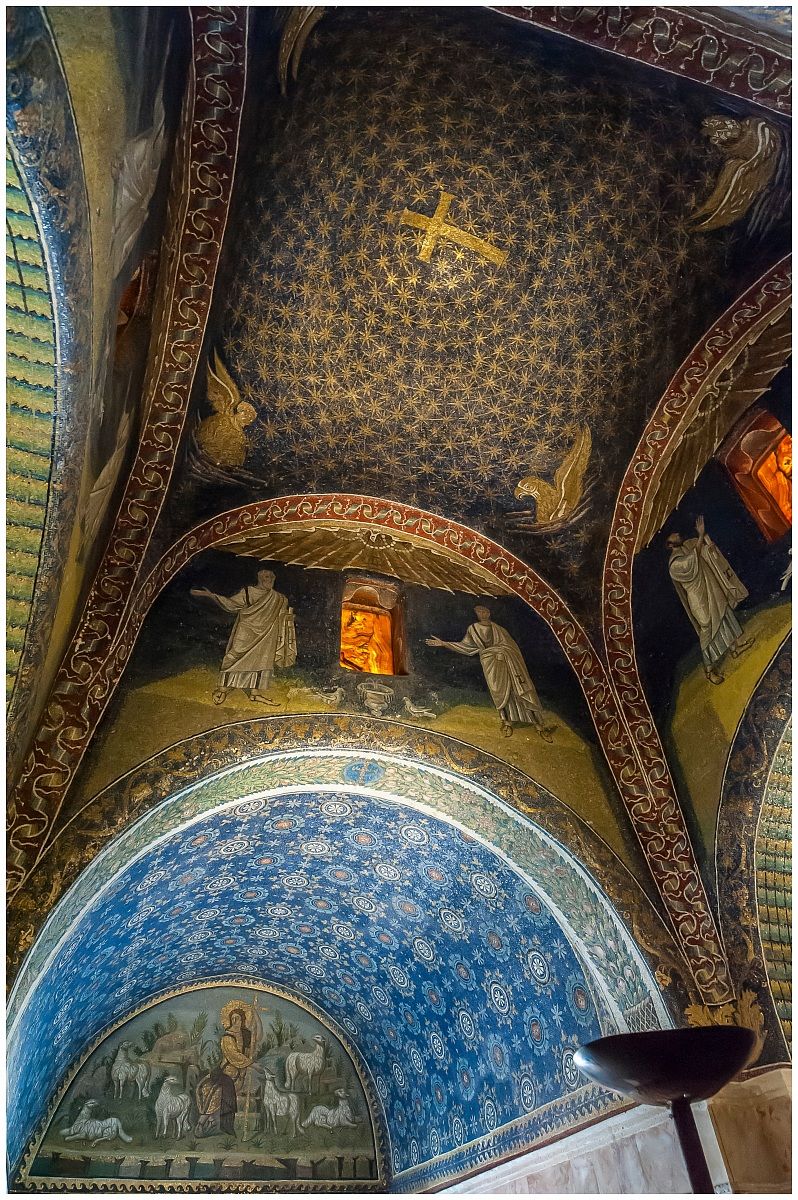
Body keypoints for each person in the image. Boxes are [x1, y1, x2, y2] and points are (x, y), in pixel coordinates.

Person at [426, 605, 553, 739]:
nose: (482, 613)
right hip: (490, 663)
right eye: (479, 611)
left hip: (508, 662)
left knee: (519, 689)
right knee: (499, 692)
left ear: (489, 612)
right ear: (476, 613)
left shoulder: (499, 629)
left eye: (485, 611)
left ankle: (539, 726)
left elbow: (512, 647)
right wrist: (444, 644)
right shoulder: (473, 629)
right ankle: (507, 722)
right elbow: (466, 647)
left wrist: (501, 651)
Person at [666, 516, 754, 685]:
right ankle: (709, 670)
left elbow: (703, 551)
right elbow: (691, 561)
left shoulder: (687, 546)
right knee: (707, 628)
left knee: (724, 613)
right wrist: (700, 536)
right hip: (698, 599)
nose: (676, 534)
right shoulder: (674, 565)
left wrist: (706, 540)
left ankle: (735, 647)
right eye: (672, 536)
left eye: (675, 533)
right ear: (669, 545)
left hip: (710, 589)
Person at [191, 569, 296, 705]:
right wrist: (210, 595)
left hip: (266, 634)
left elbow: (282, 617)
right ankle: (222, 689)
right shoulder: (248, 592)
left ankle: (255, 693)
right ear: (259, 578)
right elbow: (231, 604)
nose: (269, 579)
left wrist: (289, 618)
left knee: (261, 661)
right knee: (234, 657)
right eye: (266, 576)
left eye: (271, 577)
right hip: (246, 631)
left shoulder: (279, 598)